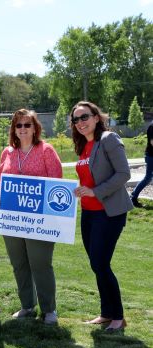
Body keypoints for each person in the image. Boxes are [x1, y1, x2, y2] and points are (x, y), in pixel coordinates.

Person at [0, 109, 62, 325]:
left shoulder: (46, 150)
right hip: (11, 218)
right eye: (18, 125)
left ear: (35, 127)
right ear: (14, 129)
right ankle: (27, 306)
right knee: (19, 263)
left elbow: (56, 183)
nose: (22, 129)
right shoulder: (8, 152)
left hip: (39, 219)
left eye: (27, 125)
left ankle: (49, 309)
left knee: (40, 263)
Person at [71, 101, 132, 332]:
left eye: (84, 117)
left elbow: (123, 173)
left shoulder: (108, 139)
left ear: (96, 117)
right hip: (88, 212)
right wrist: (81, 189)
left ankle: (118, 316)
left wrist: (95, 191)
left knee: (101, 263)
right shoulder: (83, 146)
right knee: (96, 264)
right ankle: (106, 313)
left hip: (109, 213)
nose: (80, 123)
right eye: (76, 120)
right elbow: (90, 177)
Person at [130, 120, 153, 208]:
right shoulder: (152, 126)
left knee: (148, 178)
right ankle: (133, 197)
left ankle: (134, 194)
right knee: (148, 178)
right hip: (151, 156)